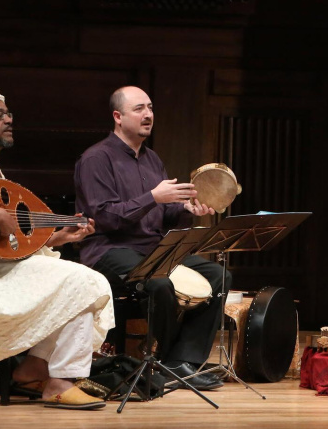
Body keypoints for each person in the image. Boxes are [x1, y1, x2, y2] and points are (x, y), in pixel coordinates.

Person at [0, 89, 115, 410]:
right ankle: (59, 382)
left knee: (77, 285)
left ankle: (33, 369)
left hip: (0, 267)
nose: (9, 119)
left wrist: (60, 238)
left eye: (8, 113)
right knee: (85, 282)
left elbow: (7, 244)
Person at [74, 86, 228, 390]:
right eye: (139, 109)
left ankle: (180, 362)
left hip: (151, 247)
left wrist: (185, 209)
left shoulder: (152, 159)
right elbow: (105, 217)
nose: (148, 115)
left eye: (150, 107)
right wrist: (153, 197)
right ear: (118, 117)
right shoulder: (95, 158)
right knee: (159, 282)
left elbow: (163, 216)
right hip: (109, 249)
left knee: (218, 275)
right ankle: (170, 362)